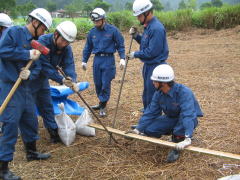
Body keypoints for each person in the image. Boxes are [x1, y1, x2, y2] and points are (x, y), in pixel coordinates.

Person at [0, 8, 52, 180]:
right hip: (10, 85)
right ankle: (3, 168)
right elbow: (3, 51)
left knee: (30, 119)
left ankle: (31, 152)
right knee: (11, 124)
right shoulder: (14, 32)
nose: (43, 32)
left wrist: (30, 73)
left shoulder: (35, 42)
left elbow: (36, 66)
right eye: (43, 28)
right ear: (35, 22)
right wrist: (26, 53)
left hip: (25, 87)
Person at [127, 64, 203, 163]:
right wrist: (138, 129)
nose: (153, 83)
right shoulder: (159, 93)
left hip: (187, 119)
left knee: (181, 127)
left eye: (155, 81)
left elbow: (188, 115)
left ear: (163, 83)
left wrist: (188, 137)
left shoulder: (184, 92)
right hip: (171, 117)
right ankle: (173, 131)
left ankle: (178, 142)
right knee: (149, 129)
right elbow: (150, 112)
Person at [30, 20, 79, 143]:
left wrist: (71, 79)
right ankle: (30, 138)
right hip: (30, 79)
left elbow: (69, 64)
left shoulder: (66, 47)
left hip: (42, 81)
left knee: (47, 106)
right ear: (56, 34)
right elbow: (44, 66)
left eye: (67, 42)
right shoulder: (42, 42)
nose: (64, 44)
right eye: (63, 40)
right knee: (29, 109)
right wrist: (61, 79)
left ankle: (53, 133)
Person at [82, 8, 126, 117]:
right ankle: (101, 102)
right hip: (97, 60)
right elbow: (88, 47)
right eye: (94, 21)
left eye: (97, 21)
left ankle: (103, 106)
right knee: (98, 84)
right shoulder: (92, 32)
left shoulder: (113, 30)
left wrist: (122, 58)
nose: (96, 23)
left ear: (103, 19)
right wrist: (84, 60)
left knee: (105, 83)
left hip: (108, 60)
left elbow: (120, 45)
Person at [127, 0, 169, 112]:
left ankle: (151, 122)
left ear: (147, 13)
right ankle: (147, 113)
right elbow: (146, 44)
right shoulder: (148, 26)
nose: (138, 18)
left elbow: (152, 52)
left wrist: (135, 54)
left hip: (156, 66)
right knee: (147, 92)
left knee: (152, 95)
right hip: (148, 65)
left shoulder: (156, 28)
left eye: (139, 16)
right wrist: (136, 36)